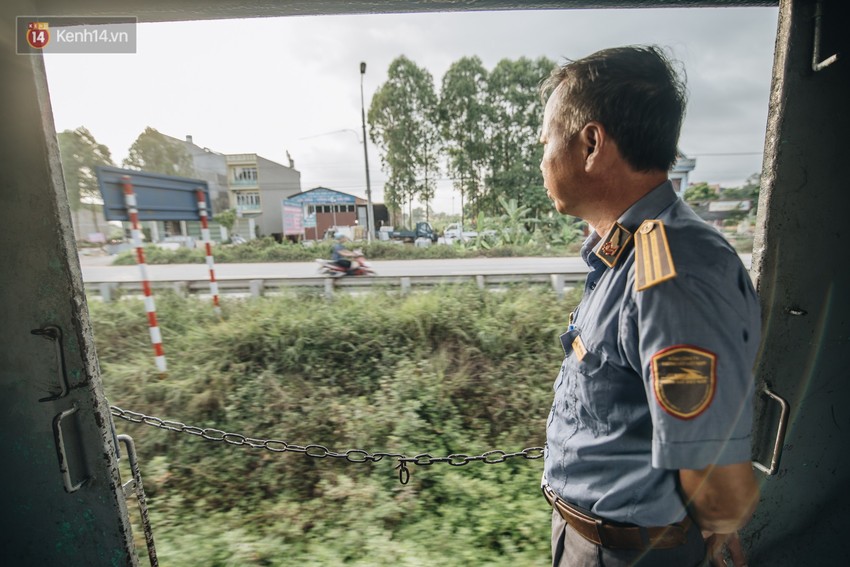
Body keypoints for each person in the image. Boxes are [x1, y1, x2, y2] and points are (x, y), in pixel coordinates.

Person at [538, 45, 761, 567]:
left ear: (591, 143)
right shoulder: (627, 254)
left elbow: (718, 480)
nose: (543, 158)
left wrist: (718, 525)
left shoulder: (672, 272)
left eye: (546, 141)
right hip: (592, 538)